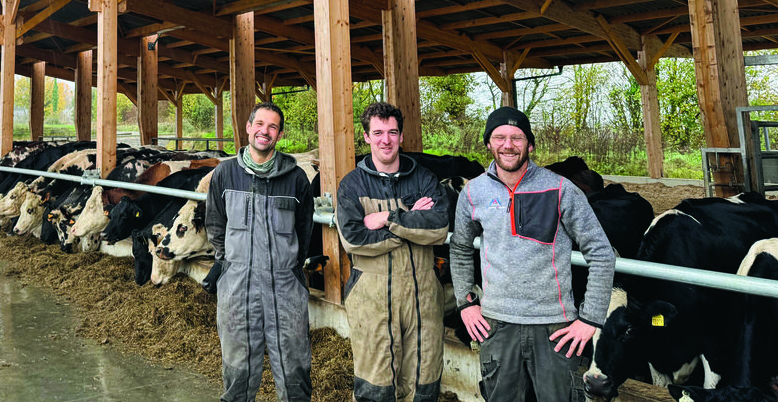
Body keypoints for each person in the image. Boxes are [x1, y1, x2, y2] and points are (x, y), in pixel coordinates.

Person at [449, 106, 616, 402]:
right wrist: (466, 303)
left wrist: (590, 319)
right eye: (499, 137)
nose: (508, 145)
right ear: (488, 144)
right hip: (497, 325)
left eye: (517, 137)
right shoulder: (473, 192)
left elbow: (602, 253)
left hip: (554, 327)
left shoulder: (561, 189)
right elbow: (460, 247)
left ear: (530, 145)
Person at [336, 101, 450, 402]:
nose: (385, 140)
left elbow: (439, 228)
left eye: (392, 132)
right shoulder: (351, 185)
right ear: (366, 137)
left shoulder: (424, 178)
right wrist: (412, 222)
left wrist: (388, 218)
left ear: (401, 136)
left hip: (423, 298)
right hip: (371, 300)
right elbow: (355, 239)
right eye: (378, 133)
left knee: (424, 381)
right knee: (376, 385)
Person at [203, 101, 314, 402]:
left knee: (294, 369)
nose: (265, 131)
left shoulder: (296, 178)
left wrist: (287, 266)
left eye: (273, 127)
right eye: (260, 124)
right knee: (237, 368)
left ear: (279, 135)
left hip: (285, 286)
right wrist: (229, 265)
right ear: (249, 128)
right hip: (237, 284)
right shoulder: (225, 174)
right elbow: (215, 224)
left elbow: (304, 232)